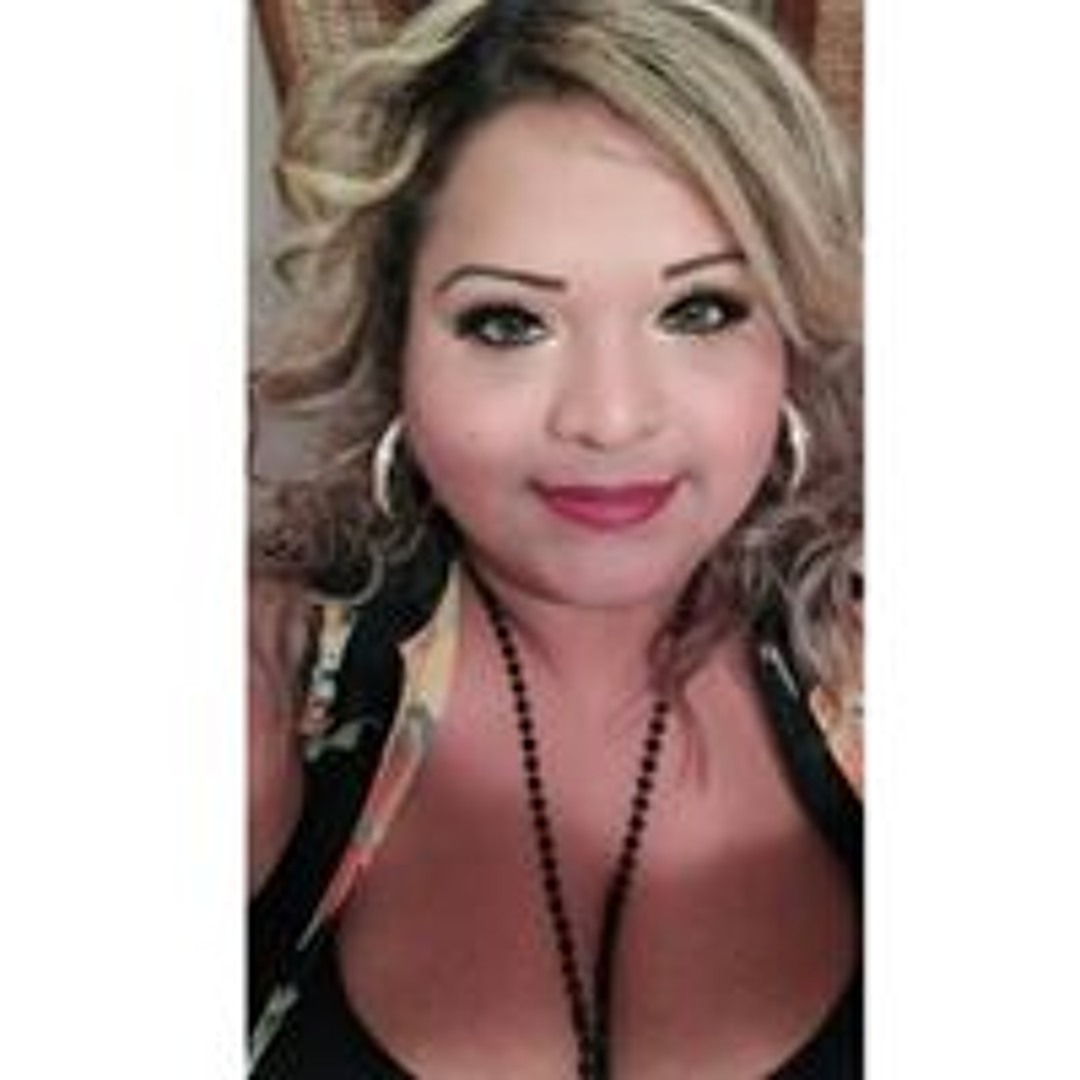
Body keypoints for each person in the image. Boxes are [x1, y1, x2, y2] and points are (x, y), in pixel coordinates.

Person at [248, 1, 863, 1076]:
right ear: (396, 347)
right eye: (508, 322)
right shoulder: (267, 682)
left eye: (701, 309)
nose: (610, 418)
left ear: (790, 340)